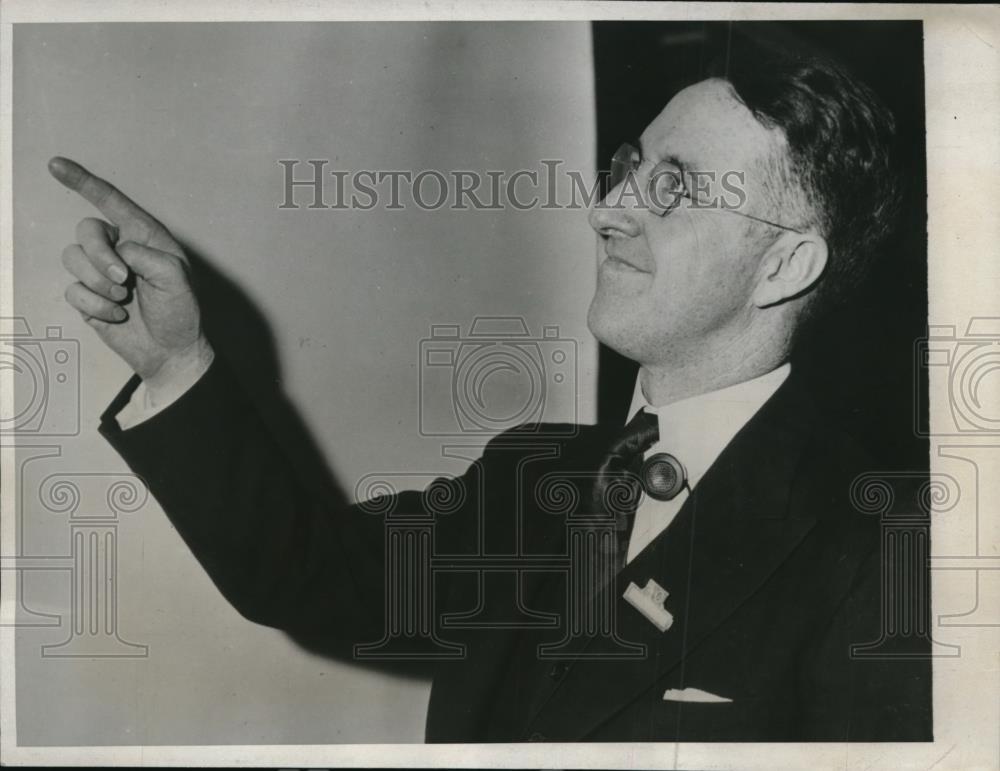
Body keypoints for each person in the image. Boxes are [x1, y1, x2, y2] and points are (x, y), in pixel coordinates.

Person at [50, 42, 931, 742]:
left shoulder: (885, 545)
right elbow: (305, 574)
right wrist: (175, 363)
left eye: (677, 186)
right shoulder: (530, 476)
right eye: (631, 165)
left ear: (783, 265)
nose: (608, 208)